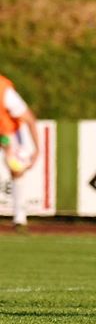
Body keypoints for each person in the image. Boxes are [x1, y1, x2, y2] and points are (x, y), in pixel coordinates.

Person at [0, 74, 40, 232]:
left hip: (8, 133)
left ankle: (20, 218)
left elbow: (29, 119)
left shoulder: (4, 91)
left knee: (17, 170)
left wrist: (37, 149)